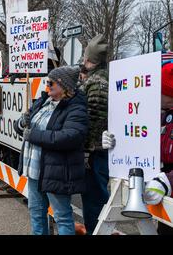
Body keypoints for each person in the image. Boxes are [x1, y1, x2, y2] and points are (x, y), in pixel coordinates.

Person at [15, 66, 89, 235]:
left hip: (57, 171)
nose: (47, 86)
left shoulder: (76, 108)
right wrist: (21, 122)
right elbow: (21, 128)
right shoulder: (42, 102)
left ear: (65, 86)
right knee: (36, 212)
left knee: (62, 216)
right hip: (34, 171)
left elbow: (69, 137)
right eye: (46, 82)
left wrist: (32, 134)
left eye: (51, 82)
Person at [104, 60, 173, 235]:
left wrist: (168, 181)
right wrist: (115, 142)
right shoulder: (160, 116)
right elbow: (142, 143)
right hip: (164, 195)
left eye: (159, 89)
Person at [79, 34, 110, 235]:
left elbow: (93, 119)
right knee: (93, 196)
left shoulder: (97, 82)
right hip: (96, 149)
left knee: (94, 198)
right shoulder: (97, 78)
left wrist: (86, 151)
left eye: (87, 59)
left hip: (95, 151)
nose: (84, 62)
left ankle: (96, 232)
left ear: (94, 60)